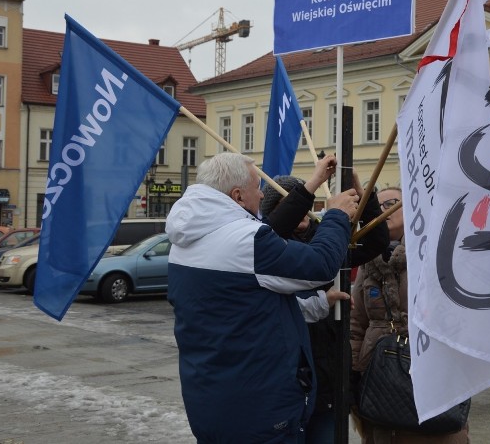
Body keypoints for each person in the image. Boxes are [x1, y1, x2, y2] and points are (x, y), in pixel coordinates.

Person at [166, 152, 360, 443]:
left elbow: (248, 308)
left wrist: (319, 304)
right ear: (238, 196)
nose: (261, 193)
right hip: (259, 409)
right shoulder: (247, 240)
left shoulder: (185, 239)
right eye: (257, 186)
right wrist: (336, 216)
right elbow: (320, 265)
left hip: (212, 400)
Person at [261, 162, 390, 444]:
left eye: (298, 198)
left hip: (329, 374)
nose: (300, 211)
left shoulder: (327, 238)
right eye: (289, 203)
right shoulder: (267, 247)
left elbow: (377, 241)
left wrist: (359, 191)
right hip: (287, 373)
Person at [349, 187, 471, 444]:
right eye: (377, 205)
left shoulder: (434, 254)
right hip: (379, 373)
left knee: (434, 431)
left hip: (427, 365)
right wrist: (354, 372)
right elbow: (357, 323)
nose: (383, 210)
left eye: (391, 203)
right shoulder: (366, 261)